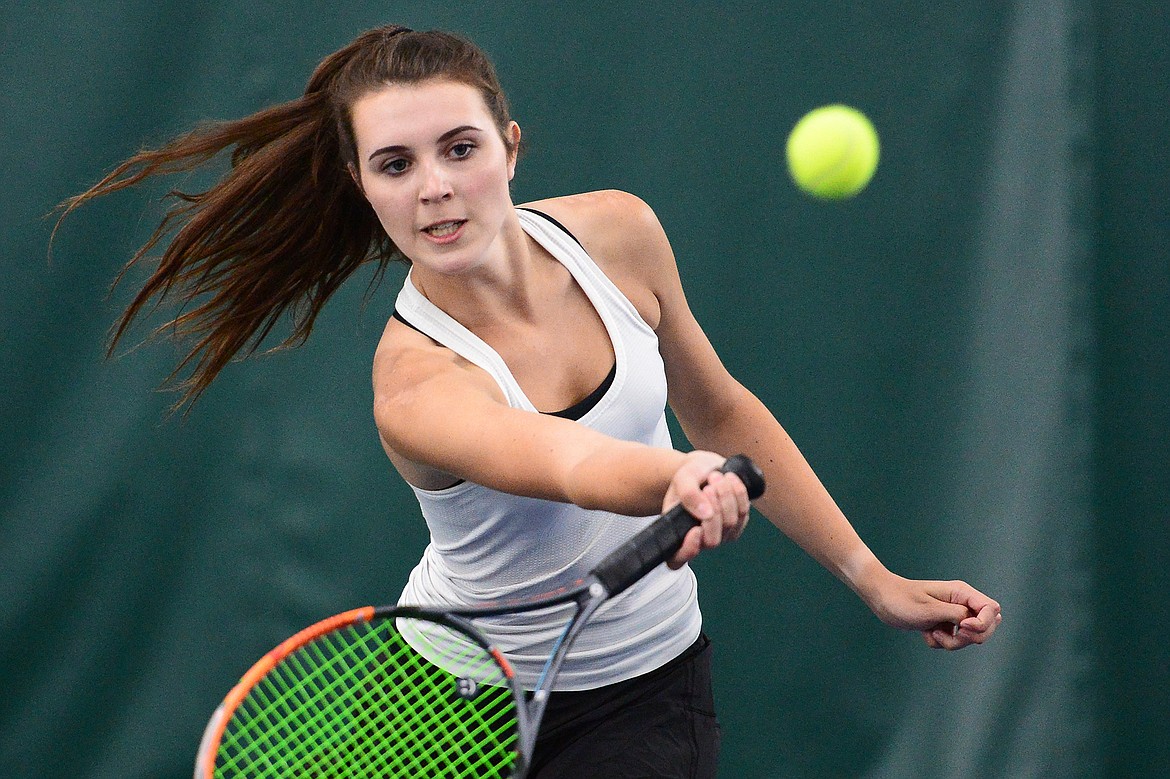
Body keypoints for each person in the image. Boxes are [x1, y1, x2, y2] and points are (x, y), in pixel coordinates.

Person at [58, 25, 1001, 778]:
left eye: (459, 148)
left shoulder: (621, 234)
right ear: (361, 184)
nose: (435, 187)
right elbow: (569, 464)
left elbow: (718, 407)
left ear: (510, 148)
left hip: (641, 693)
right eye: (395, 164)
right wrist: (675, 473)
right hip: (439, 707)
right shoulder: (416, 381)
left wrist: (872, 576)